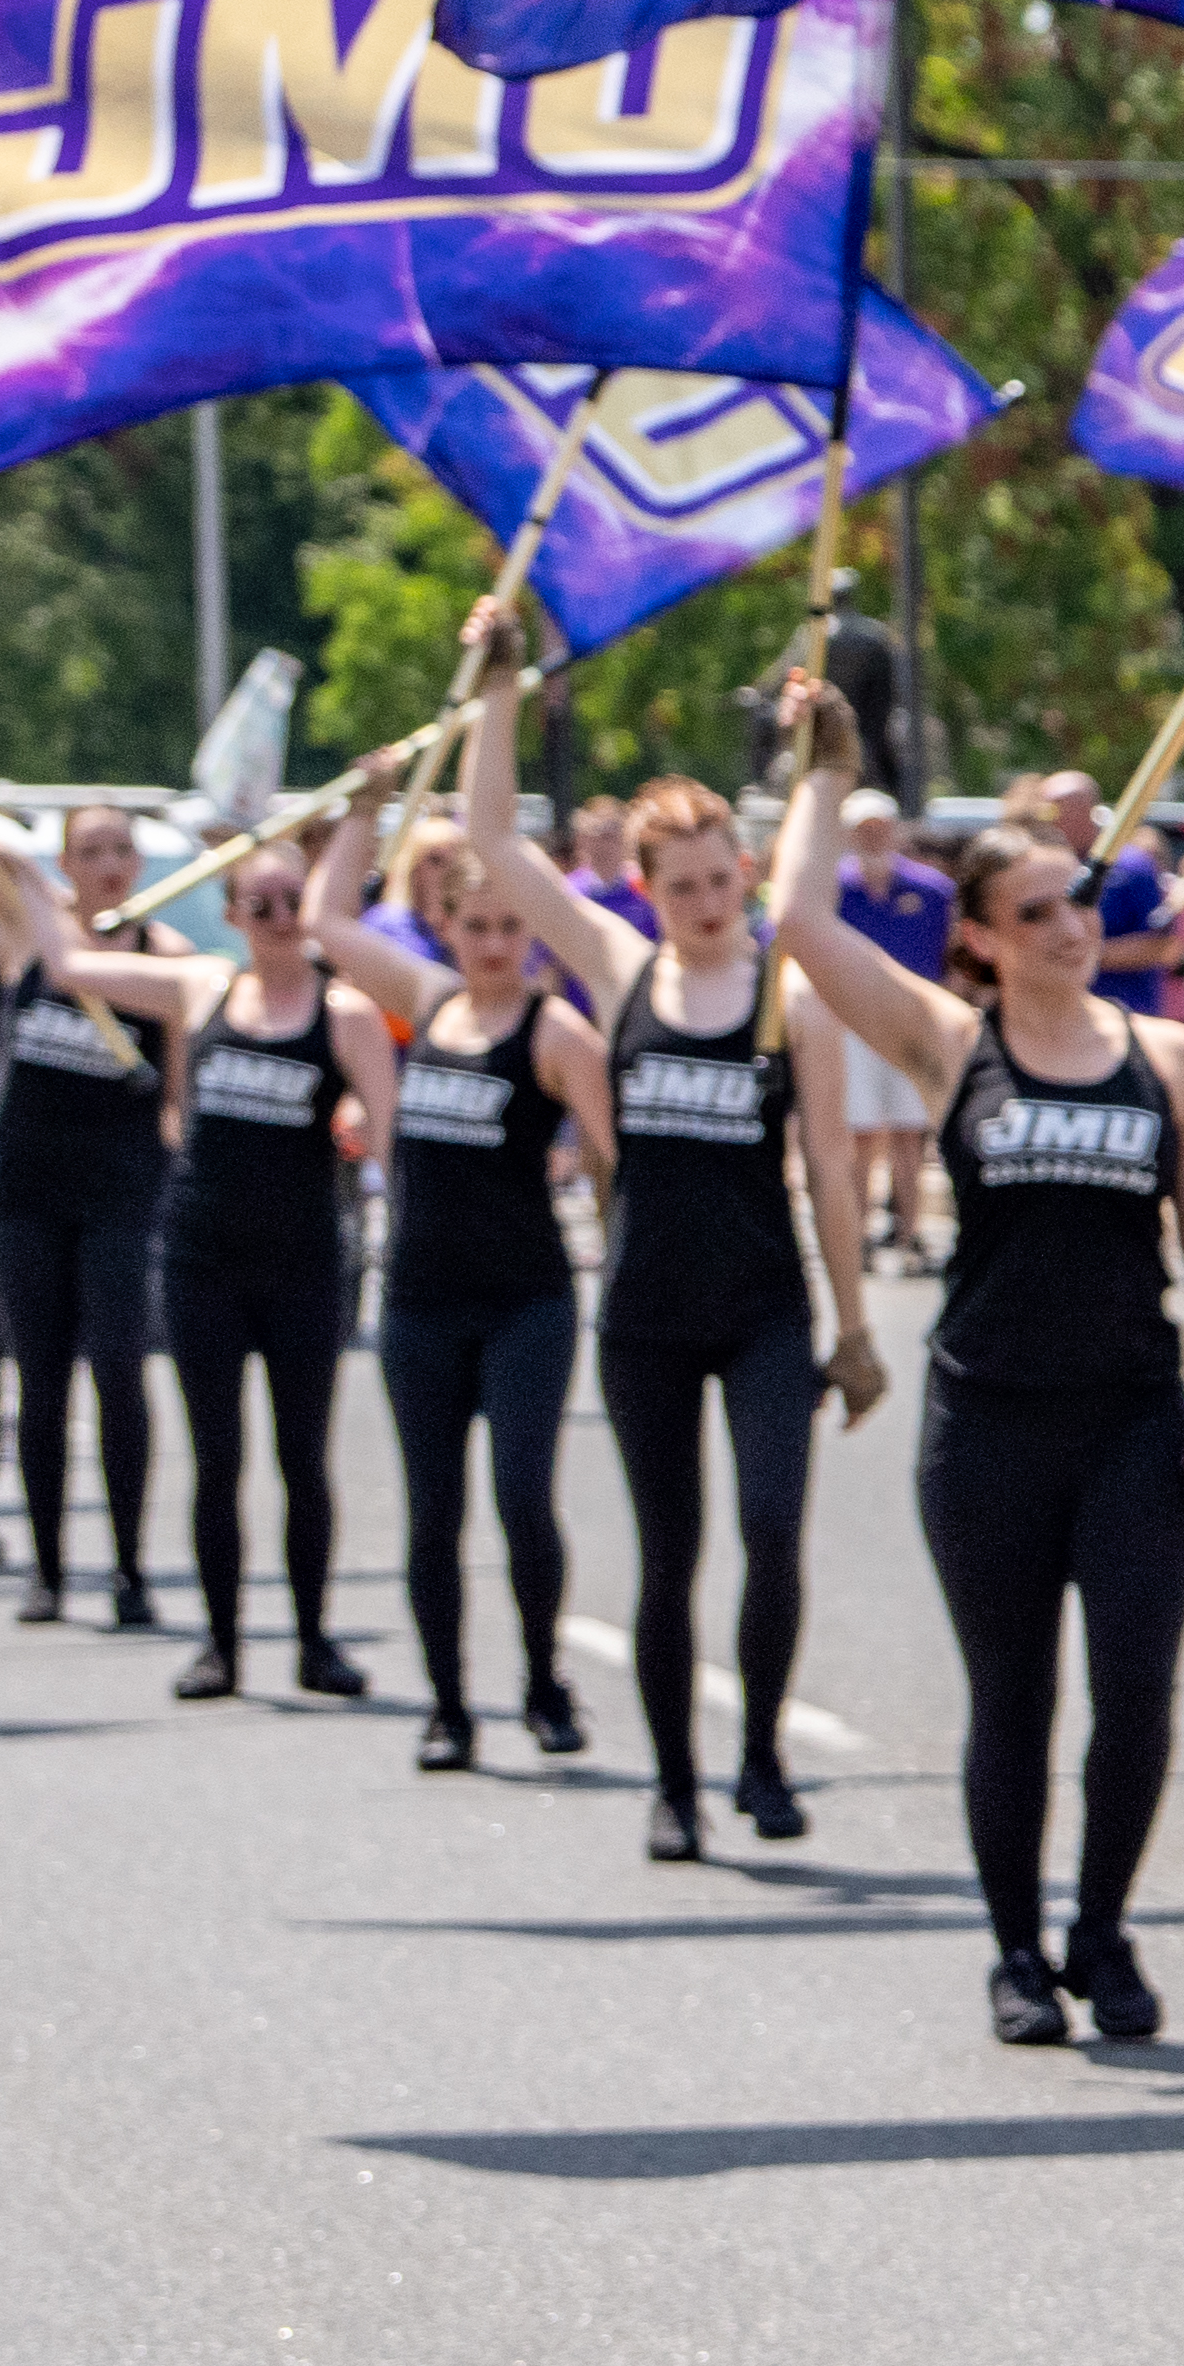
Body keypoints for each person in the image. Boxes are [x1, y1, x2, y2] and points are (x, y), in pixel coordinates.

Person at [775, 681, 1184, 2051]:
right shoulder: (952, 1044)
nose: (1069, 924)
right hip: (987, 1422)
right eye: (1036, 911)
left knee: (1136, 1691)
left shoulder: (1165, 1058)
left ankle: (1101, 1928)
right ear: (982, 941)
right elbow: (804, 926)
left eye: (1078, 900)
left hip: (1131, 1417)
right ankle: (1012, 1949)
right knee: (1013, 1698)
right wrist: (826, 772)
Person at [467, 666, 874, 1865]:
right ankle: (677, 1784)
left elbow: (836, 1173)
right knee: (668, 1554)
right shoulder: (618, 969)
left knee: (770, 1529)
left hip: (760, 1309)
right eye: (679, 885)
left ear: (744, 877)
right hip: (645, 1310)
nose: (704, 903)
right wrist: (495, 694)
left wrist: (851, 1327)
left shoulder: (789, 1002)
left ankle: (761, 1757)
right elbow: (491, 836)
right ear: (644, 891)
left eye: (719, 880)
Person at [315, 734, 603, 1779]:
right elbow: (330, 922)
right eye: (475, 926)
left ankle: (541, 1676)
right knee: (432, 1510)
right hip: (423, 1299)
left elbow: (620, 1165)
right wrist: (367, 805)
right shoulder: (429, 1003)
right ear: (447, 925)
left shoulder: (559, 1034)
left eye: (508, 929)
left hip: (526, 1298)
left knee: (524, 1499)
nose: (490, 945)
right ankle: (447, 1704)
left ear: (533, 937)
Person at [0, 780, 182, 1639]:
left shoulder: (162, 957)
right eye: (88, 851)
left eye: (119, 850)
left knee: (119, 1375)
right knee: (42, 1378)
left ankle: (131, 1569)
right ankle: (51, 1570)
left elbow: (179, 1096)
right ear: (65, 863)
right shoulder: (27, 932)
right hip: (20, 1187)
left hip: (116, 1190)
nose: (106, 867)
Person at [143, 788, 387, 1701]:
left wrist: (359, 1118)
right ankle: (221, 1643)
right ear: (233, 915)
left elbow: (382, 1120)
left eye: (296, 902)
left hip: (303, 1262)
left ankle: (316, 1638)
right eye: (263, 905)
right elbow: (62, 959)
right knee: (216, 1459)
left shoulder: (345, 1011)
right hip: (203, 1257)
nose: (284, 919)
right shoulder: (205, 992)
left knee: (302, 1458)